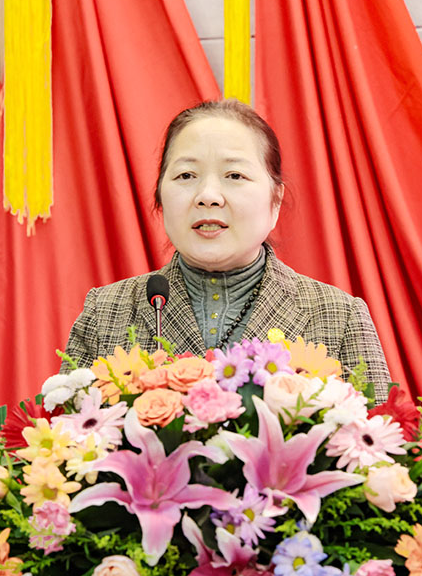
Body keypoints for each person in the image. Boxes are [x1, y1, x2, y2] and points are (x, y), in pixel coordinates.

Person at [64, 100, 391, 400]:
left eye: (234, 175)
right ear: (160, 197)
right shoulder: (105, 311)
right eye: (186, 175)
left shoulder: (339, 316)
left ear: (275, 200)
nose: (208, 196)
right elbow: (64, 438)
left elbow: (380, 440)